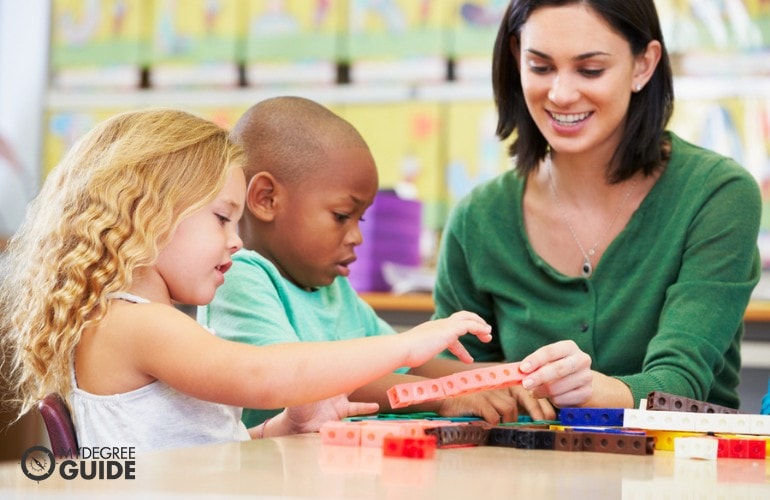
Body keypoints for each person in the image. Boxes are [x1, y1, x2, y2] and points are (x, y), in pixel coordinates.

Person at [0, 108, 494, 452]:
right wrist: (406, 347)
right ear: (146, 214)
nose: (236, 240)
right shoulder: (136, 324)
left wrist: (279, 428)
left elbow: (191, 450)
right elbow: (262, 375)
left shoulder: (140, 321)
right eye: (221, 218)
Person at [431, 0, 761, 411]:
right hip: (522, 473)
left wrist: (590, 391)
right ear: (517, 59)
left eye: (590, 70)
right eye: (540, 66)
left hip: (681, 468)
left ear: (644, 65)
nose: (561, 94)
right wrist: (469, 390)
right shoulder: (478, 218)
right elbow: (451, 375)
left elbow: (681, 381)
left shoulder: (718, 194)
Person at [200, 96, 553, 428]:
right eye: (341, 216)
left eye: (361, 220)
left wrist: (512, 376)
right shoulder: (238, 277)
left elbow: (407, 363)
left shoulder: (332, 289)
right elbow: (298, 379)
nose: (357, 237)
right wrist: (443, 395)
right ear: (266, 199)